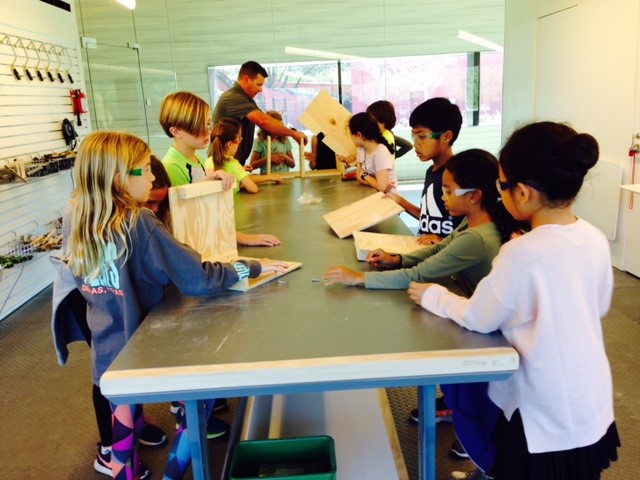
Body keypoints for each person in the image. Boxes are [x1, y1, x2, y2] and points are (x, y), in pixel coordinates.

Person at [52, 131, 287, 480]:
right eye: (144, 170)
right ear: (119, 177)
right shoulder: (139, 222)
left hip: (107, 347)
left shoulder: (78, 215)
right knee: (198, 410)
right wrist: (250, 266)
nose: (151, 177)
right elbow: (199, 279)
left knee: (121, 439)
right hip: (152, 345)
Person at [408, 121, 621, 480]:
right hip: (591, 399)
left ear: (522, 193)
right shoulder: (594, 237)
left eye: (500, 186)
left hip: (543, 407)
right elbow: (598, 306)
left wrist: (434, 295)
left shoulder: (523, 251)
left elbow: (479, 316)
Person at [159, 91, 281, 246]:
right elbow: (194, 220)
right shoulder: (172, 167)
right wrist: (244, 238)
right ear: (176, 131)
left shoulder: (199, 160)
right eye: (197, 126)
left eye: (208, 124)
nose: (207, 132)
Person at [387, 98, 465, 245]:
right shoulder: (431, 172)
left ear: (446, 136)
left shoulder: (459, 176)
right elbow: (428, 218)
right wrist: (399, 201)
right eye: (413, 136)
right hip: (424, 251)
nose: (415, 143)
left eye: (422, 136)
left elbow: (472, 230)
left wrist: (442, 242)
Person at [211, 60, 306, 166]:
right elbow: (263, 121)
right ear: (246, 79)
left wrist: (291, 131)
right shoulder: (234, 97)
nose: (261, 90)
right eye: (258, 84)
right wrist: (293, 133)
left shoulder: (247, 100)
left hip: (233, 162)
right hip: (223, 163)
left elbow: (266, 121)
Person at [207, 117, 284, 193]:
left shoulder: (208, 161)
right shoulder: (232, 163)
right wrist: (269, 177)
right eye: (239, 137)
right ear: (230, 144)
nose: (242, 139)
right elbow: (253, 189)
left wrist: (241, 170)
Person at [348, 111, 397, 193]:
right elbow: (359, 178)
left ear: (359, 135)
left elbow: (381, 187)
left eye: (350, 133)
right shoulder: (361, 149)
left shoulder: (380, 153)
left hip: (390, 199)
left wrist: (364, 175)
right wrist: (375, 183)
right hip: (375, 195)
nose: (350, 137)